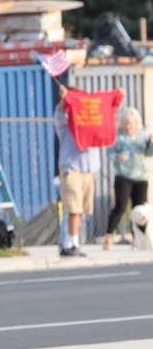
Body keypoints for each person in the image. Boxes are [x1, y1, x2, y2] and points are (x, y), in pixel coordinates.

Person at [53, 85, 104, 257]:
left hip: (89, 168)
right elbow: (59, 117)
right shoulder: (66, 118)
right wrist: (64, 99)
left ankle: (72, 241)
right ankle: (69, 243)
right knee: (73, 206)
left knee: (80, 208)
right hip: (72, 167)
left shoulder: (91, 118)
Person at [103, 107, 152, 250]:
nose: (128, 126)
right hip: (123, 176)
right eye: (126, 123)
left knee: (139, 209)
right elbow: (109, 153)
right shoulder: (118, 136)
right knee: (121, 206)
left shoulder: (142, 136)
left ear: (137, 123)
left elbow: (149, 153)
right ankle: (109, 236)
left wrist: (151, 143)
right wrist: (118, 157)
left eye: (131, 124)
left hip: (141, 176)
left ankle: (138, 239)